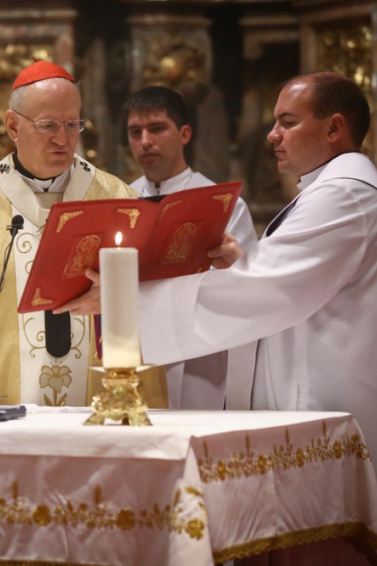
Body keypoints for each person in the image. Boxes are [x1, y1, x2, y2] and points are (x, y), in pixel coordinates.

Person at [61, 71, 377, 564]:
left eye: (287, 122)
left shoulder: (345, 194)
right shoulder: (332, 189)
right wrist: (243, 263)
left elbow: (266, 291)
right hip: (321, 393)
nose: (272, 135)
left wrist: (124, 299)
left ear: (335, 128)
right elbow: (281, 278)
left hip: (327, 399)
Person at [0, 60, 153, 407]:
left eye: (72, 125)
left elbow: (160, 297)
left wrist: (124, 292)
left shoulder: (121, 203)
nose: (63, 139)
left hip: (101, 411)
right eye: (48, 125)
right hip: (4, 412)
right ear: (12, 126)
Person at [125, 85, 258, 409]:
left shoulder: (223, 204)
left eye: (157, 128)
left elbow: (250, 284)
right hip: (133, 347)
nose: (145, 141)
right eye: (135, 132)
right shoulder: (121, 201)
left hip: (198, 353)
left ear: (184, 134)